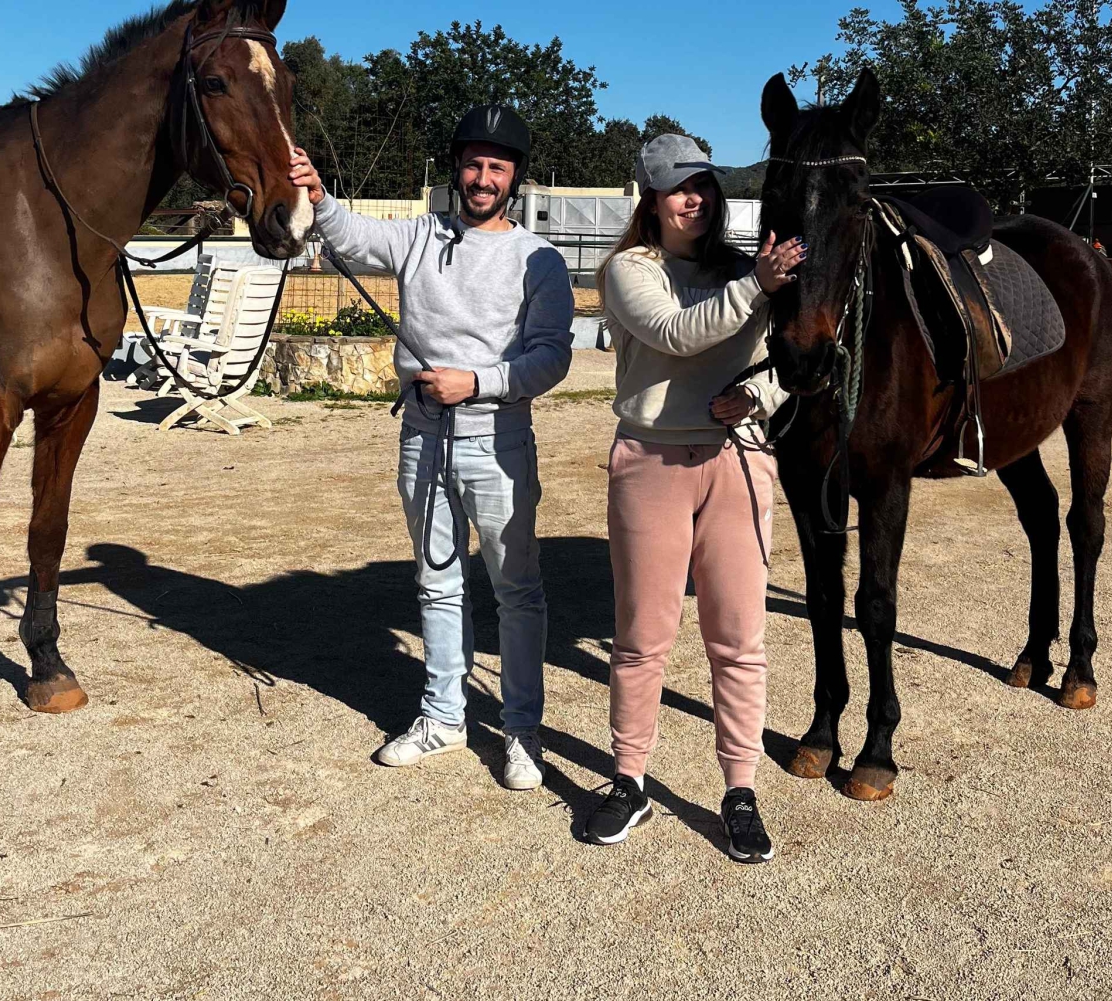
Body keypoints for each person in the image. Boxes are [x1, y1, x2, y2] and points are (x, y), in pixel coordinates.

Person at [289, 105, 574, 792]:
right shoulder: (421, 235)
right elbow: (354, 239)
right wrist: (321, 197)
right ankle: (443, 715)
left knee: (517, 592)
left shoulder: (539, 259)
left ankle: (522, 730)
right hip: (422, 438)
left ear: (515, 178)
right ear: (458, 168)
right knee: (437, 583)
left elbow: (552, 358)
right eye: (474, 164)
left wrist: (475, 382)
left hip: (498, 442)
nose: (482, 178)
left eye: (496, 167)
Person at [581, 134, 803, 862]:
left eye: (704, 184)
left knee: (739, 640)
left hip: (739, 460)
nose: (695, 198)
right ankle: (629, 779)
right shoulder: (628, 272)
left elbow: (792, 360)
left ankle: (740, 789)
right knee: (643, 638)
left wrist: (757, 392)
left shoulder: (746, 269)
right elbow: (676, 334)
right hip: (651, 462)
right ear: (651, 196)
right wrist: (758, 288)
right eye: (680, 188)